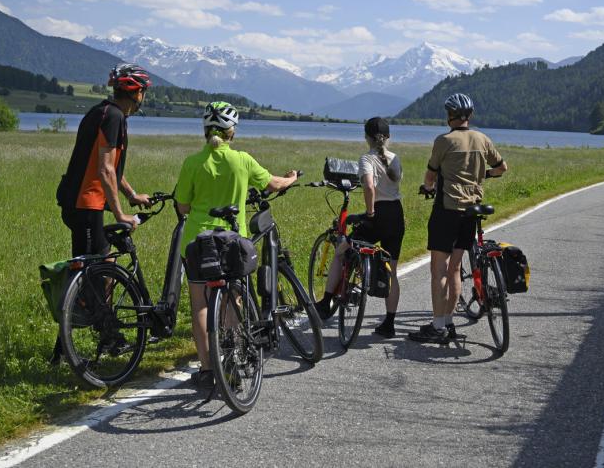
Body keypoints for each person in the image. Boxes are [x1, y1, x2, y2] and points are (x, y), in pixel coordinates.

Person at [175, 101, 298, 387]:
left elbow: (182, 207)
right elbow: (274, 184)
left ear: (205, 131)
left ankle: (207, 370)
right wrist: (291, 178)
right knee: (234, 301)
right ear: (232, 133)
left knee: (200, 307)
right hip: (232, 243)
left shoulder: (192, 163)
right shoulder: (242, 160)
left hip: (197, 244)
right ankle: (235, 356)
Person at [53, 64, 155, 361]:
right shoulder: (114, 118)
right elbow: (105, 167)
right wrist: (122, 214)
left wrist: (132, 195)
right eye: (143, 92)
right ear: (136, 92)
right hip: (85, 206)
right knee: (93, 274)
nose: (143, 97)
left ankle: (82, 342)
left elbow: (110, 167)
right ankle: (103, 337)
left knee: (103, 265)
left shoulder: (102, 112)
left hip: (82, 204)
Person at [408, 93, 507, 344]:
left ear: (449, 116)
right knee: (455, 268)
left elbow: (430, 178)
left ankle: (437, 325)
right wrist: (483, 174)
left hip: (447, 210)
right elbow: (502, 168)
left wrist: (428, 188)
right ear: (469, 116)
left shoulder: (443, 141)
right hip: (472, 210)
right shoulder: (482, 139)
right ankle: (449, 321)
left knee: (439, 270)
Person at [314, 117, 405, 338]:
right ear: (388, 137)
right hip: (396, 214)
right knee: (392, 269)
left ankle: (326, 302)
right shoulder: (396, 159)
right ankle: (389, 323)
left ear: (367, 138)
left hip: (378, 215)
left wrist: (370, 212)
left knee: (342, 249)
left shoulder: (367, 158)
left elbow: (370, 187)